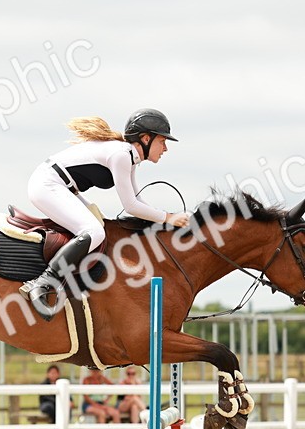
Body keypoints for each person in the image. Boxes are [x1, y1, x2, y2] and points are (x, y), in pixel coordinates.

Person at [19, 109, 191, 320]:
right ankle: (43, 282)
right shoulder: (121, 155)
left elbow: (137, 199)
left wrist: (166, 219)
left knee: (98, 225)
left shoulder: (129, 156)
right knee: (94, 231)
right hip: (47, 185)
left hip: (61, 187)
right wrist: (167, 218)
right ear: (146, 138)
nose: (165, 148)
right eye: (162, 141)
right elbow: (130, 206)